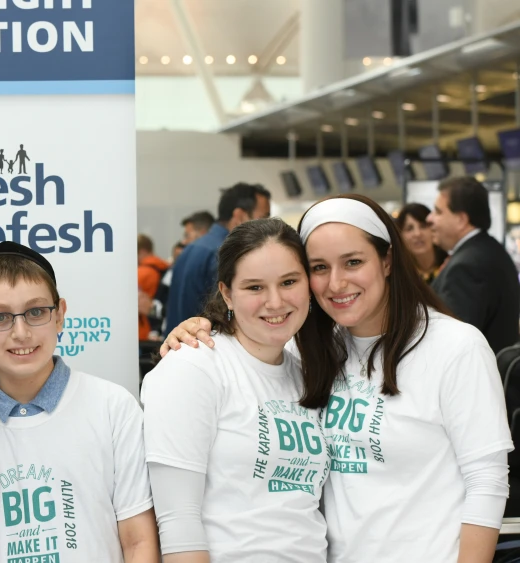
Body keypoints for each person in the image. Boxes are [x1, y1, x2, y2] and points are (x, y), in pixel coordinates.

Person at [163, 194, 513, 562]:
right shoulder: (311, 351)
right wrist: (200, 329)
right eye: (318, 267)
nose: (336, 283)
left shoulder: (454, 346)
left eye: (353, 262)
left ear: (387, 259)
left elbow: (486, 481)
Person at [0, 241, 160, 562]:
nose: (21, 332)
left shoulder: (113, 408)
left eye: (36, 312)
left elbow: (139, 542)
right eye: (0, 316)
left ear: (59, 316)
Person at [143, 218, 333, 561]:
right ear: (227, 293)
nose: (275, 302)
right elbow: (177, 521)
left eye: (289, 281)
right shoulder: (193, 367)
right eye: (255, 287)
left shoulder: (304, 369)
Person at [429, 176, 520, 353]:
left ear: (461, 219)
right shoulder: (487, 250)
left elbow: (454, 344)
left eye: (438, 212)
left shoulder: (467, 266)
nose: (430, 218)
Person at [165, 184, 271, 335]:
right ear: (240, 215)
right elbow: (227, 318)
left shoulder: (191, 248)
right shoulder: (227, 254)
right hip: (207, 345)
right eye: (264, 217)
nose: (268, 226)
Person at [394, 202, 446, 284]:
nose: (417, 234)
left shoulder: (449, 266)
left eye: (423, 226)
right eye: (409, 229)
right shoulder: (400, 276)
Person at [137, 234, 169, 340]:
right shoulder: (165, 267)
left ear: (141, 252)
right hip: (161, 326)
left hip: (144, 330)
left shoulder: (141, 273)